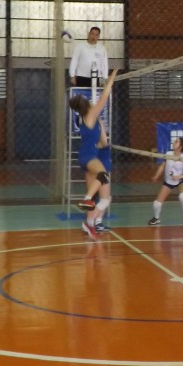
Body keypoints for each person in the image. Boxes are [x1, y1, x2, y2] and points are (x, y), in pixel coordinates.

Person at [69, 69, 119, 240]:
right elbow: (104, 97)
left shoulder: (84, 119)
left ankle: (89, 223)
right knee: (103, 176)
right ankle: (88, 198)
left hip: (87, 156)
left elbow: (102, 140)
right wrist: (111, 79)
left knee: (105, 197)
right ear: (87, 105)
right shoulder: (90, 115)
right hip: (89, 156)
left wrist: (105, 145)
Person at [148, 137, 183, 226]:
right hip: (169, 181)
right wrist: (156, 176)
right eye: (175, 141)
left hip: (181, 180)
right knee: (156, 204)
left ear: (180, 147)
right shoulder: (168, 154)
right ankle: (156, 218)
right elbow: (162, 166)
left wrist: (179, 177)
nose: (174, 142)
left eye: (177, 142)